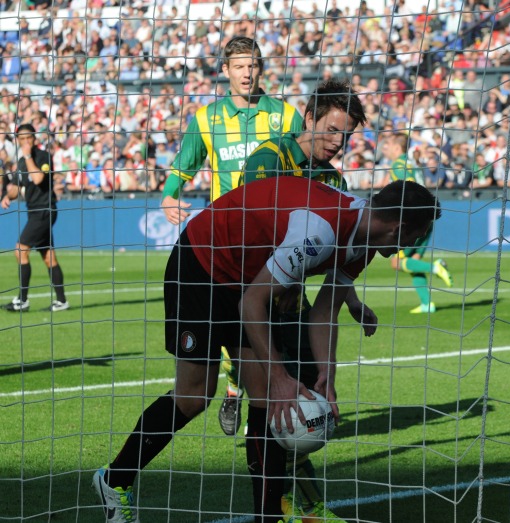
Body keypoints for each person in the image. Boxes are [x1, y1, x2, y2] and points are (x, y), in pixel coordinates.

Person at [92, 176, 440, 523]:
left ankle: (268, 516)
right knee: (194, 398)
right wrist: (279, 374)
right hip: (203, 260)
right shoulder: (321, 230)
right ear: (399, 227)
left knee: (269, 399)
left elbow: (323, 311)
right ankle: (115, 479)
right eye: (417, 237)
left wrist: (326, 375)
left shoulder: (362, 240)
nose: (413, 246)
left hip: (248, 279)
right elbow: (251, 305)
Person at [242, 78, 379, 521]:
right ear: (308, 117)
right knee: (267, 407)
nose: (337, 143)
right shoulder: (268, 160)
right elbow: (256, 239)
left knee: (302, 408)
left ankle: (312, 507)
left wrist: (352, 302)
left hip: (294, 309)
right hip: (251, 302)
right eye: (332, 130)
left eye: (346, 135)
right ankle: (276, 507)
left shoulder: (330, 179)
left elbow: (330, 253)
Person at [159, 36, 303, 442]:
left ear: (261, 68)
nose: (246, 72)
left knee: (274, 336)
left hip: (275, 244)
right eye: (238, 66)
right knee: (236, 326)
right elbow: (183, 166)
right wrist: (170, 194)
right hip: (225, 245)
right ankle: (242, 388)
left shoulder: (286, 117)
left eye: (253, 64)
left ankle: (247, 392)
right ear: (225, 71)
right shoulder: (207, 119)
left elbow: (303, 174)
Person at [380, 132, 453, 314]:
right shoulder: (412, 163)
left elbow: (410, 187)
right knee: (413, 261)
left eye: (387, 145)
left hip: (413, 219)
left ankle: (436, 267)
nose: (384, 149)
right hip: (426, 218)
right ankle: (427, 304)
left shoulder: (398, 164)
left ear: (397, 147)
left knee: (396, 262)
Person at [2, 123, 69, 312]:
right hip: (34, 211)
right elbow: (16, 188)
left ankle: (22, 300)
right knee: (49, 257)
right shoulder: (22, 162)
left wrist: (28, 155)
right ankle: (62, 301)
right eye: (21, 139)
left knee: (20, 249)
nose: (25, 142)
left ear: (34, 139)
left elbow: (38, 179)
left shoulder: (42, 156)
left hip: (45, 210)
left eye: (28, 138)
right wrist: (8, 195)